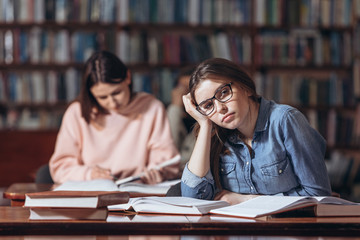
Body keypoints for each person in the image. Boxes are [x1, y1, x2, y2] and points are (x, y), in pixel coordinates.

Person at [181, 58, 332, 205]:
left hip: (286, 228)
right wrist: (205, 123)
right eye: (208, 106)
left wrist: (248, 200)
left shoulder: (285, 120)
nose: (220, 108)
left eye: (224, 93)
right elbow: (193, 198)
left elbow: (318, 195)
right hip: (238, 228)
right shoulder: (218, 135)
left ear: (245, 87)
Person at [49, 50, 179, 184]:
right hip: (92, 191)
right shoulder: (77, 112)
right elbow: (60, 168)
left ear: (128, 77)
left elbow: (166, 162)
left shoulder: (152, 107)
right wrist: (89, 174)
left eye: (116, 93)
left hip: (138, 191)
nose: (112, 103)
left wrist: (157, 173)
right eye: (102, 97)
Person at [167, 67, 196, 171]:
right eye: (181, 88)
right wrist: (175, 107)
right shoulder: (172, 114)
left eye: (190, 89)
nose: (185, 94)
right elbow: (168, 148)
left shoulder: (207, 120)